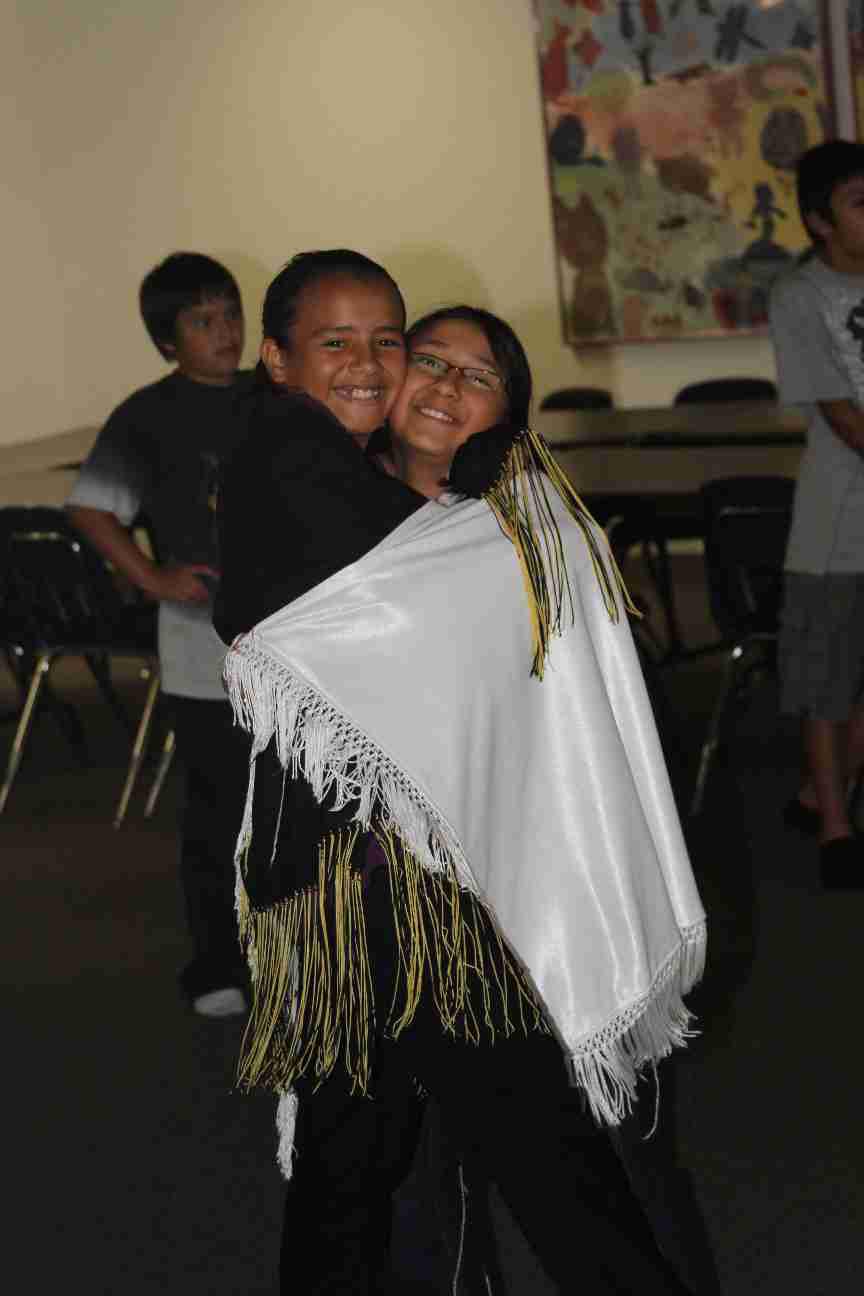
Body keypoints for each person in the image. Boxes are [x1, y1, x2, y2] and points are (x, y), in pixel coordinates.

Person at [216, 251, 706, 1294]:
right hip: (343, 902)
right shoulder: (313, 484)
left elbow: (571, 728)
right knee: (377, 1172)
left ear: (511, 408)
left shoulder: (529, 525)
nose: (430, 381)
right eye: (423, 358)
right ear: (278, 360)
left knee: (524, 1159)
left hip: (463, 901)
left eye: (469, 373)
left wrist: (486, 517)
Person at [67, 251, 253, 1014]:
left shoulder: (275, 398)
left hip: (289, 637)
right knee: (215, 807)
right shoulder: (147, 415)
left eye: (233, 313)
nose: (226, 332)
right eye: (204, 321)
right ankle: (218, 963)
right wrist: (149, 578)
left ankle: (301, 946)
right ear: (166, 340)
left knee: (289, 800)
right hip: (197, 642)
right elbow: (90, 508)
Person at [770, 140, 864, 889]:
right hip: (836, 525)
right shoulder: (800, 299)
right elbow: (844, 419)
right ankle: (836, 829)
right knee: (827, 682)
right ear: (818, 222)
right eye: (860, 203)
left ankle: (815, 795)